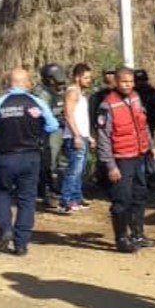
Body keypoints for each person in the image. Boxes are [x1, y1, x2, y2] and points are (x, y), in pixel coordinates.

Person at [0, 67, 60, 255]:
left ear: (8, 84)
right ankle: (21, 244)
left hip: (6, 157)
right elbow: (52, 124)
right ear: (27, 83)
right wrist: (38, 136)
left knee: (0, 193)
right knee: (27, 199)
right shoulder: (37, 102)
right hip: (31, 157)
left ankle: (5, 229)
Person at [95, 67, 155, 254]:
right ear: (116, 81)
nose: (128, 85)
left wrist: (151, 146)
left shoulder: (136, 98)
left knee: (140, 195)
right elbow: (103, 138)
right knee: (121, 200)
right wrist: (110, 165)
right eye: (124, 82)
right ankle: (121, 238)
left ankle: (137, 234)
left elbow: (143, 124)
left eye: (131, 82)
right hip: (121, 159)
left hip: (139, 155)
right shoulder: (107, 105)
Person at [57, 63, 94, 214]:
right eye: (86, 77)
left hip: (83, 135)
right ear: (77, 77)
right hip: (74, 136)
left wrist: (88, 136)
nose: (88, 80)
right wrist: (76, 135)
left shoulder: (82, 94)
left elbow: (82, 118)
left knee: (80, 169)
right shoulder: (72, 92)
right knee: (74, 169)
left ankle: (76, 198)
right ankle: (65, 201)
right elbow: (68, 115)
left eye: (89, 77)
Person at [35, 63, 68, 208]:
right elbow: (41, 112)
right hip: (48, 131)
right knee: (49, 162)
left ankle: (60, 191)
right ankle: (46, 192)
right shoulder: (41, 92)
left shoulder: (62, 90)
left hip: (64, 129)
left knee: (63, 163)